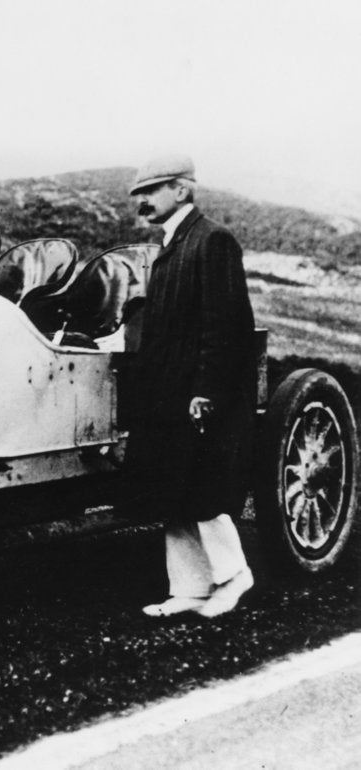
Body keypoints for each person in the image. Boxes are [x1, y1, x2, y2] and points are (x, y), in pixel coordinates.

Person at [124, 154, 256, 619]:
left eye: (151, 191)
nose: (142, 201)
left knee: (204, 491)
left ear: (181, 190)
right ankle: (190, 589)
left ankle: (234, 576)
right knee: (172, 492)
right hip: (167, 394)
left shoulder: (212, 240)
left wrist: (207, 391)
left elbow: (227, 326)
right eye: (139, 193)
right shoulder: (170, 245)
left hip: (195, 395)